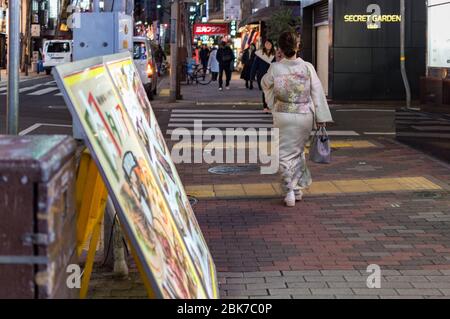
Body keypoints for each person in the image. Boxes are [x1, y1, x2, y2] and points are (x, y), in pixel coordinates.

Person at [261, 31, 333, 207]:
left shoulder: (275, 68)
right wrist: (321, 117)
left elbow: (265, 84)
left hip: (283, 114)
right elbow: (316, 92)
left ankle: (290, 191)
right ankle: (298, 188)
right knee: (298, 152)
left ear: (280, 49)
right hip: (304, 115)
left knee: (285, 154)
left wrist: (273, 100)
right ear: (297, 46)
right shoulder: (307, 67)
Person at [250, 39, 276, 113]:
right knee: (265, 91)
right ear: (264, 45)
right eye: (266, 43)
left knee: (271, 91)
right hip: (262, 75)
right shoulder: (260, 54)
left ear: (272, 45)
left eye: (269, 44)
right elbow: (255, 66)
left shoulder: (275, 55)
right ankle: (265, 106)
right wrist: (252, 76)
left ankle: (270, 106)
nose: (268, 45)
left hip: (272, 75)